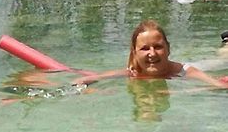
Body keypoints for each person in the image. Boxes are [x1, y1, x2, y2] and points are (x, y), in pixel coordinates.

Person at [72, 19, 228, 88]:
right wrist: (93, 90)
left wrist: (186, 92)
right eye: (145, 48)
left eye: (158, 47)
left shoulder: (186, 72)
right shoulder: (132, 73)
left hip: (197, 67)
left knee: (222, 60)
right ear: (134, 53)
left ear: (168, 49)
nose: (152, 53)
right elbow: (82, 80)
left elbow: (220, 85)